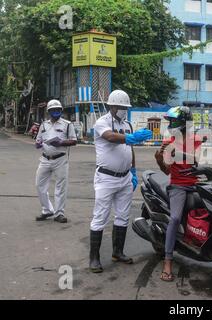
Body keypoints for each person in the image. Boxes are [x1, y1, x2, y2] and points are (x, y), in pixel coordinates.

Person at [89, 90, 153, 273]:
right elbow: (109, 137)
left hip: (125, 177)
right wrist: (129, 138)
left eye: (126, 107)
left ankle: (118, 252)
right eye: (120, 107)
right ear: (111, 106)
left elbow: (129, 149)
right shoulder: (102, 122)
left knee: (122, 216)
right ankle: (94, 258)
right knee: (100, 217)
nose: (123, 110)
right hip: (106, 178)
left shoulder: (127, 124)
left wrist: (133, 170)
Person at [154, 106, 202, 281]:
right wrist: (160, 159)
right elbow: (167, 172)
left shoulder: (195, 139)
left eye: (174, 121)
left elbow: (196, 160)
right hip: (178, 186)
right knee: (174, 218)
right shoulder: (170, 141)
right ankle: (168, 261)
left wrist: (177, 152)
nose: (171, 124)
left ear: (184, 123)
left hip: (196, 185)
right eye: (170, 121)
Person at [35, 99, 77, 223]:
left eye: (58, 110)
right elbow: (39, 140)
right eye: (53, 110)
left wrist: (61, 142)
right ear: (48, 112)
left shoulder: (67, 124)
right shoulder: (44, 125)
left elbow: (74, 141)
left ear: (61, 110)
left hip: (60, 159)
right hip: (45, 159)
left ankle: (59, 213)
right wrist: (38, 144)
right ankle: (47, 210)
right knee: (39, 185)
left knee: (61, 187)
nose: (55, 112)